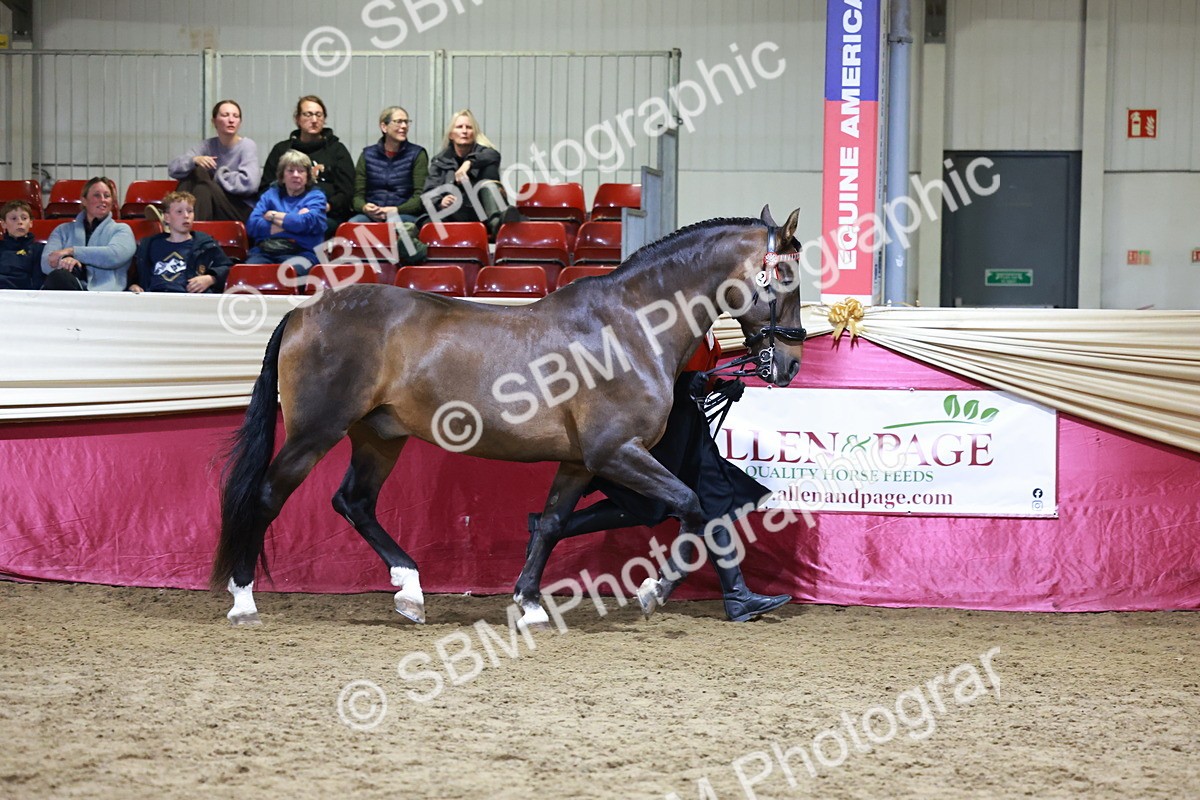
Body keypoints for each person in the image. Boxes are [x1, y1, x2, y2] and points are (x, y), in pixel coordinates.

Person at [527, 338, 792, 622]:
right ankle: (549, 527)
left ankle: (737, 596)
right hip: (663, 424)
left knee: (713, 500)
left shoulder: (707, 330)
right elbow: (650, 367)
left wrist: (718, 385)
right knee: (647, 505)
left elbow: (698, 371)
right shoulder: (677, 322)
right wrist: (685, 382)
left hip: (690, 426)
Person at [259, 95, 354, 236]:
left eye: (318, 115)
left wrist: (325, 207)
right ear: (297, 119)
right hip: (284, 212)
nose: (314, 120)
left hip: (325, 215)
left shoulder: (337, 150)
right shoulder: (281, 150)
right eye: (308, 114)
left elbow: (346, 191)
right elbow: (265, 188)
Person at [167, 99, 259, 223]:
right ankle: (180, 220)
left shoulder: (247, 145)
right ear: (214, 121)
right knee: (194, 174)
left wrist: (217, 176)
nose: (231, 120)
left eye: (236, 116)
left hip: (240, 209)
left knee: (204, 185)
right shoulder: (207, 145)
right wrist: (194, 160)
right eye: (225, 115)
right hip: (210, 200)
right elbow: (173, 169)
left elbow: (249, 184)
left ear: (240, 122)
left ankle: (172, 220)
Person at [40, 176, 135, 291]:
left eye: (107, 196)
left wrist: (72, 252)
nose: (103, 200)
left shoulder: (122, 230)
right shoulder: (62, 230)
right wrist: (66, 262)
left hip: (105, 295)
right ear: (84, 200)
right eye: (97, 195)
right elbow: (46, 261)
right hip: (68, 287)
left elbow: (114, 255)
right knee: (59, 277)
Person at [127, 191, 232, 294]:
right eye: (179, 212)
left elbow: (227, 268)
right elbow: (136, 275)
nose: (186, 216)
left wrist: (211, 278)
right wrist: (133, 285)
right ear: (167, 217)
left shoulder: (205, 244)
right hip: (154, 300)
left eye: (190, 211)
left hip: (189, 301)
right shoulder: (150, 245)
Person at [423, 108, 506, 235]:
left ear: (474, 133)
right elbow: (429, 191)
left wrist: (469, 163)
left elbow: (494, 155)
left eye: (469, 127)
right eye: (459, 127)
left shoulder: (487, 154)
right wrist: (440, 202)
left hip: (480, 211)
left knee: (489, 173)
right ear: (451, 134)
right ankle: (500, 220)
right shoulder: (440, 160)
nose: (464, 131)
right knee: (427, 224)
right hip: (454, 212)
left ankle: (496, 221)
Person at [245, 150, 327, 274]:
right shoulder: (270, 195)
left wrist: (272, 216)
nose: (296, 175)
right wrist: (294, 221)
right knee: (248, 273)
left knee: (288, 275)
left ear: (308, 176)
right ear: (282, 176)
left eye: (301, 171)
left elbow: (306, 222)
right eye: (290, 171)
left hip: (301, 253)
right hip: (266, 251)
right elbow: (252, 225)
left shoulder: (316, 196)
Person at [351, 106, 429, 225]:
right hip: (372, 214)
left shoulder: (417, 154)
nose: (404, 126)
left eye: (406, 122)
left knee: (393, 223)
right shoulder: (367, 155)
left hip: (403, 214)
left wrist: (396, 210)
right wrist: (365, 207)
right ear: (384, 127)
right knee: (353, 224)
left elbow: (420, 197)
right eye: (398, 122)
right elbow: (357, 196)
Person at [0, 200, 45, 290]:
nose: (20, 222)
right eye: (14, 219)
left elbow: (37, 283)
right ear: (3, 223)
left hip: (24, 296)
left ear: (31, 223)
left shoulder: (38, 249)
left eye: (24, 218)